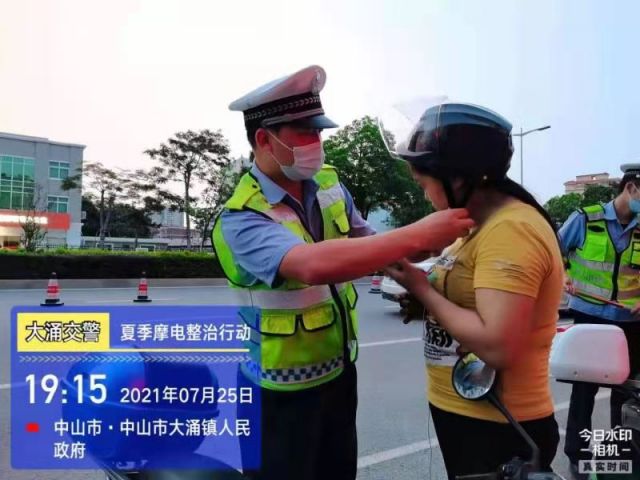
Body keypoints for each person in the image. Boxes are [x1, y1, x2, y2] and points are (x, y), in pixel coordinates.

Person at [211, 66, 474, 480]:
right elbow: (311, 265)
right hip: (276, 393)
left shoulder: (328, 185)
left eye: (318, 132)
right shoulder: (242, 216)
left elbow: (372, 246)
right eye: (304, 133)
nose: (316, 144)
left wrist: (434, 249)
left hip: (338, 375)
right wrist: (418, 233)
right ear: (264, 139)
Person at [383, 101, 563, 479]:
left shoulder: (511, 230)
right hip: (466, 414)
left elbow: (497, 346)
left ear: (458, 178)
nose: (425, 195)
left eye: (424, 184)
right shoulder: (475, 227)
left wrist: (423, 289)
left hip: (498, 426)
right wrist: (426, 301)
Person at [559, 163, 640, 478]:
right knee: (584, 390)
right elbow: (551, 251)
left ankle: (621, 453)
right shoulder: (585, 218)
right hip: (589, 318)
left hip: (629, 322)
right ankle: (577, 455)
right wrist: (563, 275)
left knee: (625, 391)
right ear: (631, 188)